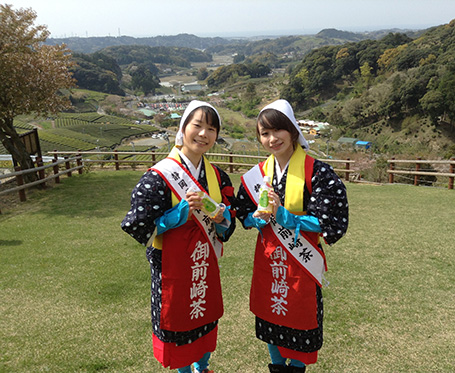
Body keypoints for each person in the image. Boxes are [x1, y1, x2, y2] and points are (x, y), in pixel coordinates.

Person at [121, 100, 236, 373]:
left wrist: (221, 218)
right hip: (170, 267)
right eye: (197, 125)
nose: (203, 134)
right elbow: (137, 225)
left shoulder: (219, 178)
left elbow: (227, 228)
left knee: (203, 314)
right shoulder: (158, 176)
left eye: (211, 128)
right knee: (177, 318)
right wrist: (176, 216)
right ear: (183, 128)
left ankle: (203, 366)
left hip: (202, 264)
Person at [235, 99, 348, 373]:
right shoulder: (258, 175)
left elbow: (328, 221)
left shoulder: (318, 172)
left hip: (301, 263)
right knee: (272, 316)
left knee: (300, 320)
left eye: (278, 130)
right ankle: (276, 367)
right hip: (270, 261)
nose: (272, 139)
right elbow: (243, 213)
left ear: (293, 131)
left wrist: (284, 215)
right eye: (264, 133)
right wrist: (255, 219)